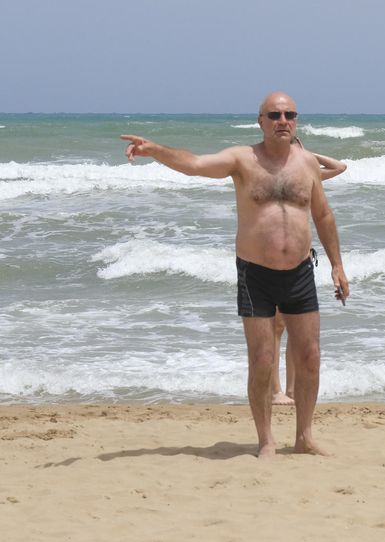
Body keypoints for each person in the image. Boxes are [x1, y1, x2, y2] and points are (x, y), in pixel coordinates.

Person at [121, 91, 350, 459]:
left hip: (301, 272)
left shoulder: (307, 163)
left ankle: (304, 436)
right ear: (260, 121)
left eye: (289, 114)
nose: (283, 120)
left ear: (297, 120)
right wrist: (156, 149)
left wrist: (338, 266)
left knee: (310, 357)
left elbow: (322, 216)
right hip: (255, 274)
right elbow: (195, 163)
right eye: (274, 114)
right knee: (261, 361)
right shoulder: (243, 159)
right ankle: (266, 440)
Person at [271, 142, 347, 406]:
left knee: (294, 328)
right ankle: (274, 390)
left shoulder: (308, 173)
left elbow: (339, 166)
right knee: (276, 327)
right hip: (273, 259)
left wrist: (307, 155)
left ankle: (291, 390)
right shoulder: (272, 175)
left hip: (302, 258)